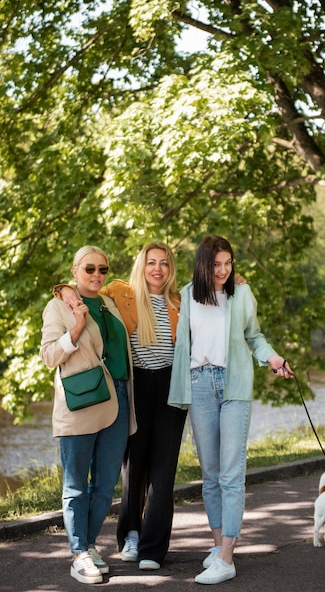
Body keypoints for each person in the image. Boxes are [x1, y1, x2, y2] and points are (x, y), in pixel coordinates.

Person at [168, 235, 294, 585]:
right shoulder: (188, 294)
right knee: (209, 474)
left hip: (234, 384)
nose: (223, 270)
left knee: (230, 473)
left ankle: (227, 557)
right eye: (216, 264)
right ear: (203, 264)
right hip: (199, 385)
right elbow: (182, 345)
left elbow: (254, 336)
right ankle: (217, 546)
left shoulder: (242, 293)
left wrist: (272, 358)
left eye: (228, 263)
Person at [54, 242, 187, 570]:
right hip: (135, 384)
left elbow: (213, 289)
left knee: (163, 471)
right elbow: (82, 286)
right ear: (141, 265)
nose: (158, 269)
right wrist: (66, 292)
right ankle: (130, 534)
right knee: (133, 467)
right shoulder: (120, 292)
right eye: (151, 262)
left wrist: (235, 278)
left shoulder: (181, 301)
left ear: (171, 269)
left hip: (171, 386)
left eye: (164, 264)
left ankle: (153, 549)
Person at [40, 246, 137, 585]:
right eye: (89, 269)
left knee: (106, 483)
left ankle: (90, 545)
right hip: (81, 402)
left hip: (118, 401)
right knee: (75, 485)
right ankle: (79, 552)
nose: (96, 275)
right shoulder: (58, 306)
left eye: (103, 270)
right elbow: (50, 355)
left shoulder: (109, 302)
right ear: (75, 270)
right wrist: (77, 328)